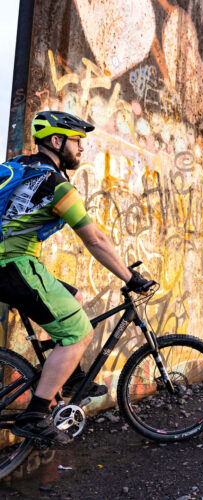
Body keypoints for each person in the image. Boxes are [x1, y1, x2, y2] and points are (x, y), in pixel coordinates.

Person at [0, 111, 150, 444]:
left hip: (9, 265)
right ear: (56, 141)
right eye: (76, 141)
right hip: (13, 265)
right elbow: (94, 239)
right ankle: (36, 415)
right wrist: (130, 277)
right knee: (79, 334)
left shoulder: (24, 168)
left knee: (76, 298)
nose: (81, 149)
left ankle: (69, 378)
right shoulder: (55, 184)